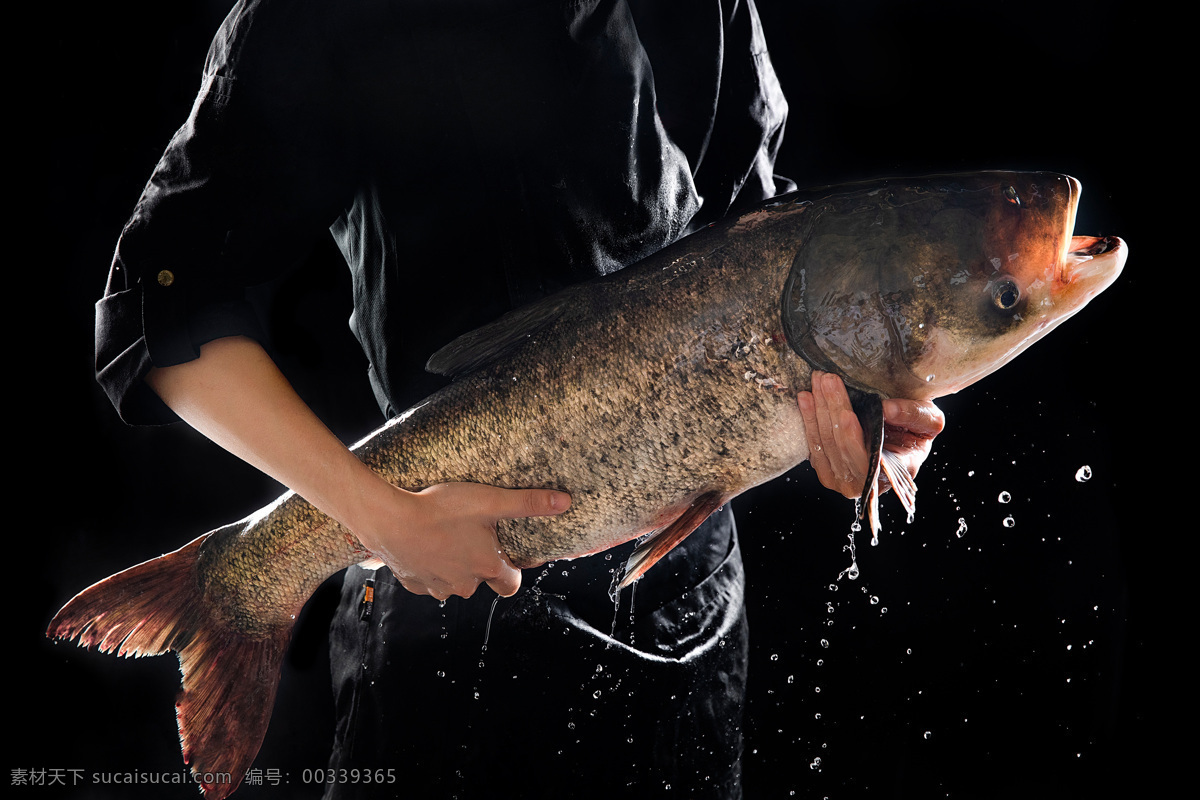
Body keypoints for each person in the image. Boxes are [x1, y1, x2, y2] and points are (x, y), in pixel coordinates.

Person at [95, 1, 943, 797]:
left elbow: (762, 248)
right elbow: (163, 306)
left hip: (693, 602)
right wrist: (383, 514)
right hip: (450, 604)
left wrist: (866, 403)